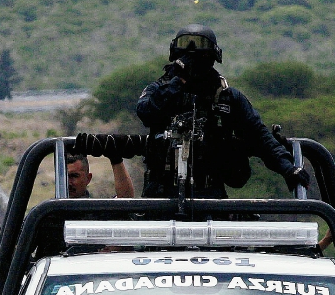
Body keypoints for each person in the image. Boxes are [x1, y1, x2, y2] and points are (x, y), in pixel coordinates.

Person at [135, 24, 309, 199]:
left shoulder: (227, 97)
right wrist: (178, 81)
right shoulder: (159, 90)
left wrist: (288, 168)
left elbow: (259, 136)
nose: (192, 60)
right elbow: (146, 113)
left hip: (211, 195)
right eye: (187, 55)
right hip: (160, 196)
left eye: (199, 54)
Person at [66, 153, 135, 199]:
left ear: (88, 178)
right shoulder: (55, 211)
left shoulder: (98, 210)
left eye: (74, 176)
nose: (68, 183)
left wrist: (116, 159)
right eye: (63, 177)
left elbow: (126, 200)